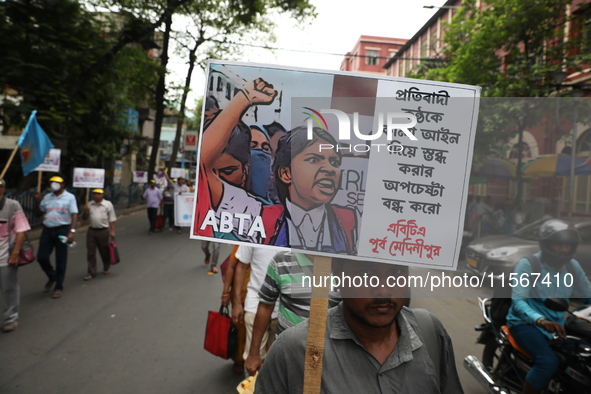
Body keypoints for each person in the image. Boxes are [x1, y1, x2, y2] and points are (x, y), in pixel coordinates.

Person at [255, 258, 464, 393]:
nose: (383, 290)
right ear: (337, 272)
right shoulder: (293, 349)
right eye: (366, 274)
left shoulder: (430, 332)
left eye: (396, 274)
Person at [507, 219, 591, 394]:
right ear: (546, 243)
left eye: (568, 245)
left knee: (580, 359)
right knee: (548, 362)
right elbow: (518, 301)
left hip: (557, 325)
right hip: (526, 324)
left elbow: (587, 294)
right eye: (558, 244)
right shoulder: (529, 264)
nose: (563, 249)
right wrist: (540, 320)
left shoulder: (571, 266)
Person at [244, 252, 340, 376]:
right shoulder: (281, 261)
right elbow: (266, 306)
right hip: (286, 357)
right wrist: (253, 353)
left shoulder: (345, 265)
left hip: (330, 360)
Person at [231, 245, 281, 376]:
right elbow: (241, 266)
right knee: (253, 360)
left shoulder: (297, 231)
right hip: (255, 304)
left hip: (284, 307)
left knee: (279, 361)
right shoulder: (254, 230)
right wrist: (236, 303)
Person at [34, 175, 79, 299]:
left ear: (63, 184)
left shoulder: (70, 197)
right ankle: (52, 276)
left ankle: (58, 286)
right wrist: (37, 201)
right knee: (41, 257)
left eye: (57, 182)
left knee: (61, 259)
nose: (54, 184)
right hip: (47, 230)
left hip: (62, 230)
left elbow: (74, 215)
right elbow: (38, 214)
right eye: (52, 182)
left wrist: (72, 232)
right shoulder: (47, 197)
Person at [0, 179, 31, 332]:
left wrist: (15, 254)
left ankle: (11, 318)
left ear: (3, 190)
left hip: (5, 256)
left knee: (9, 288)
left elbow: (21, 230)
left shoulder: (12, 206)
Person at [81, 188, 117, 280]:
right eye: (94, 194)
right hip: (92, 230)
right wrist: (85, 210)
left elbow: (111, 218)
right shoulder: (89, 204)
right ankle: (91, 272)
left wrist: (112, 231)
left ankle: (106, 266)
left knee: (104, 250)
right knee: (90, 252)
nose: (96, 195)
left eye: (98, 194)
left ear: (102, 195)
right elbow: (84, 218)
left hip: (103, 230)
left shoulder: (107, 205)